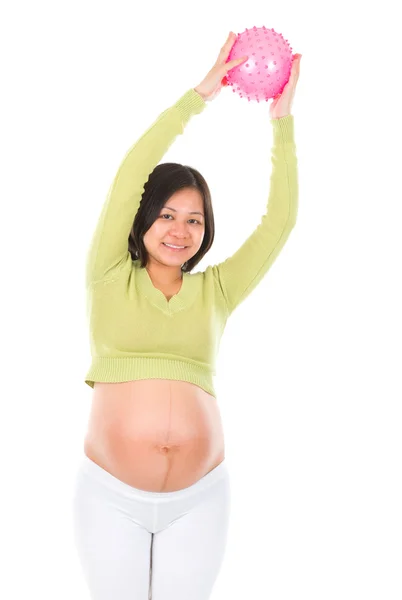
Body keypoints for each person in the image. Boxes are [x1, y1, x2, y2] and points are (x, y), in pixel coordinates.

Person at [72, 31, 301, 600]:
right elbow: (131, 171)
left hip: (200, 499)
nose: (180, 230)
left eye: (194, 220)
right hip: (111, 497)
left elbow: (280, 222)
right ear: (144, 218)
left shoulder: (215, 292)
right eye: (168, 215)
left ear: (205, 232)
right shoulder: (108, 277)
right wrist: (200, 96)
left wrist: (282, 121)